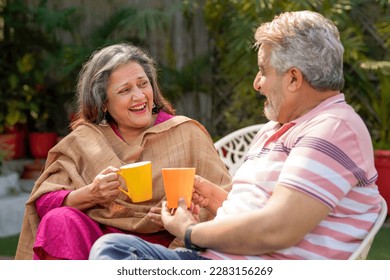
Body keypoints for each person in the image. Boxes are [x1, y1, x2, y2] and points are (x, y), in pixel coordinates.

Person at [89, 10, 383, 260]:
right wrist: (218, 200)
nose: (257, 84)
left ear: (293, 78)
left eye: (263, 71)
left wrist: (189, 231)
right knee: (116, 249)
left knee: (114, 253)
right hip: (219, 261)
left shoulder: (332, 129)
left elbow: (277, 228)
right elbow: (263, 210)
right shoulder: (277, 128)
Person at [15, 43, 232, 260]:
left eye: (143, 84)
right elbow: (44, 202)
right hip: (96, 241)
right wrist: (91, 194)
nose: (139, 96)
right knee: (59, 219)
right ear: (104, 103)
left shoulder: (186, 133)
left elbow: (227, 201)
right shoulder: (86, 141)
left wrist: (184, 219)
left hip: (166, 246)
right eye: (125, 90)